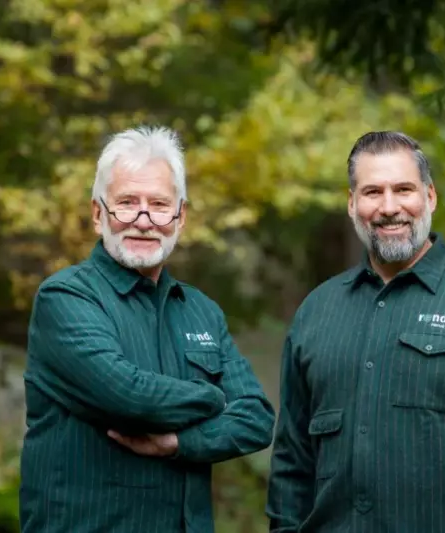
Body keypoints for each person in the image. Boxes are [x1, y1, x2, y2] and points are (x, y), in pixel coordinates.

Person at [266, 131, 445, 533]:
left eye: (403, 189)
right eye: (372, 192)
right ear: (352, 204)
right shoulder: (317, 311)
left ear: (430, 197)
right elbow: (292, 462)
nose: (389, 207)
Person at [19, 126, 275, 533]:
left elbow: (258, 419)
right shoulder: (66, 298)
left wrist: (180, 443)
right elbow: (128, 396)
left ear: (180, 216)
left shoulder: (201, 311)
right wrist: (215, 397)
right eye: (126, 203)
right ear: (98, 213)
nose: (143, 220)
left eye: (158, 204)